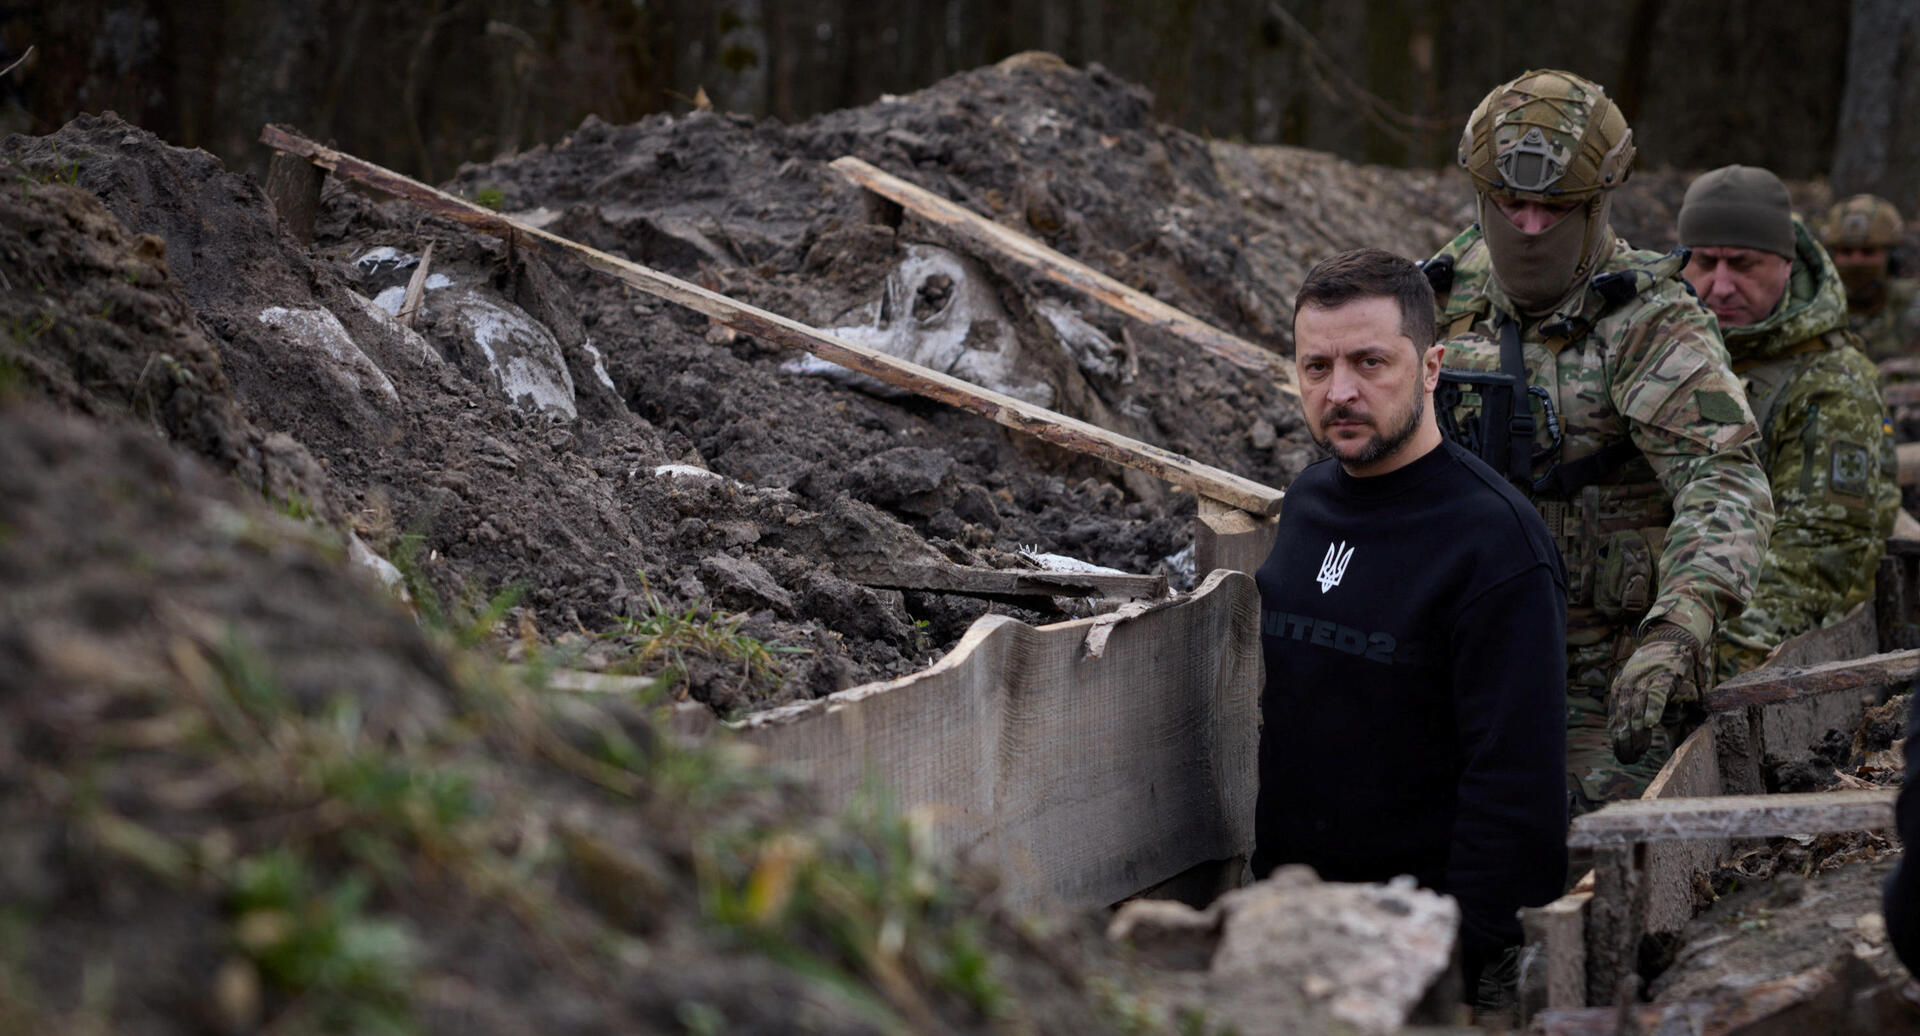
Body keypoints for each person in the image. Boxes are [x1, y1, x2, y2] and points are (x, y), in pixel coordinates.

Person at [1421, 70, 1774, 810]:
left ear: (1597, 203)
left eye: (1554, 208)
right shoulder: (1442, 295)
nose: (1528, 227)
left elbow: (1724, 478)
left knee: (1576, 847)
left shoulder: (1648, 320)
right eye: (1510, 204)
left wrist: (1679, 628)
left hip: (1601, 670)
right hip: (1456, 645)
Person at [1251, 247, 1568, 999]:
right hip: (1288, 928)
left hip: (1417, 953)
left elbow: (1516, 786)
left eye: (1370, 363)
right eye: (1316, 367)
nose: (1341, 391)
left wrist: (1452, 958)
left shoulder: (1495, 545)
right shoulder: (1306, 505)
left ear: (1431, 368)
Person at [1676, 166, 1898, 677]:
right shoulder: (1662, 352)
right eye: (1704, 263)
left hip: (1754, 648)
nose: (1722, 285)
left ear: (1785, 263)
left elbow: (1820, 558)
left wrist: (1703, 666)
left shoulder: (1832, 381)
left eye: (1744, 264)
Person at [1821, 194, 1920, 363]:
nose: (1856, 261)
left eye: (1868, 252)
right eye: (1846, 252)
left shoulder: (1912, 306)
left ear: (1892, 258)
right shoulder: (1814, 310)